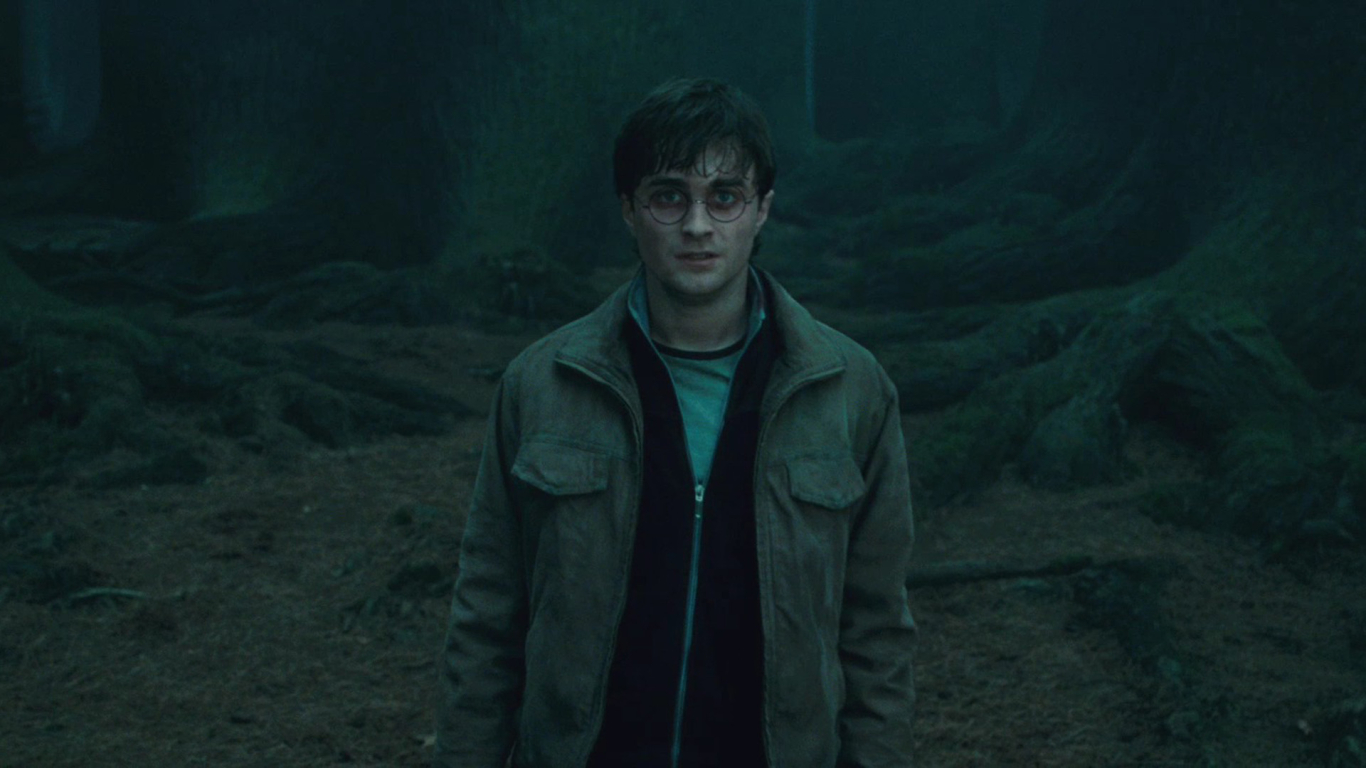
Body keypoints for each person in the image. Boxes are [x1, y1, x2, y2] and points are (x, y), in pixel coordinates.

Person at [435, 77, 916, 768]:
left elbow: (876, 633)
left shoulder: (850, 391)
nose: (697, 225)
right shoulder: (541, 385)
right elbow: (487, 619)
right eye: (668, 196)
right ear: (629, 209)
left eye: (724, 196)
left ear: (762, 209)